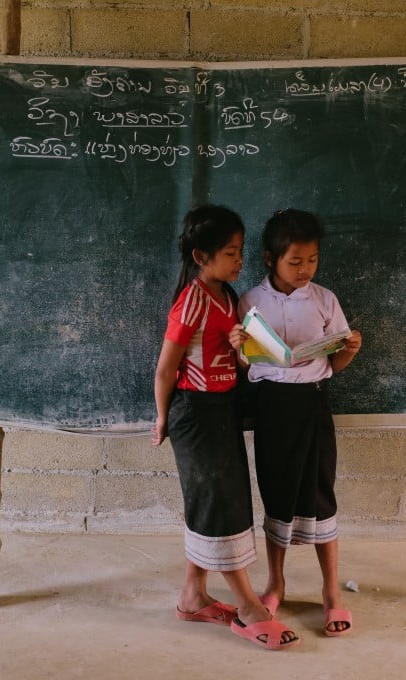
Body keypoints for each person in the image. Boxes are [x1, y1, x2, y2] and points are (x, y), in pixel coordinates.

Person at [153, 204, 299, 651]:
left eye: (239, 251)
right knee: (217, 505)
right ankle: (250, 606)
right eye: (231, 252)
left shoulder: (228, 297)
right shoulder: (192, 299)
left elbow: (236, 361)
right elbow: (165, 370)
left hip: (223, 409)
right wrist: (162, 419)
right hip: (194, 414)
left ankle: (193, 596)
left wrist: (242, 347)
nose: (240, 260)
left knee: (221, 500)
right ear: (202, 256)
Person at [238, 208, 362, 637]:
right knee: (278, 492)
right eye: (295, 261)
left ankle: (332, 591)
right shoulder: (250, 301)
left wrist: (350, 349)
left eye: (312, 260)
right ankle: (276, 583)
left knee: (320, 491)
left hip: (313, 403)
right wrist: (240, 344)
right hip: (272, 405)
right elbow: (244, 360)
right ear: (270, 259)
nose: (305, 269)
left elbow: (338, 363)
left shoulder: (325, 300)